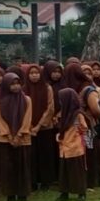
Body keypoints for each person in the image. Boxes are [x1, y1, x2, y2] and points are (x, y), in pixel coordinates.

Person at [0, 72, 33, 201]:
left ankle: (23, 195)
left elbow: (27, 118)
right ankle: (10, 195)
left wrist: (19, 134)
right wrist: (9, 135)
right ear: (6, 85)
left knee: (23, 167)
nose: (16, 87)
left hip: (23, 138)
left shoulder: (26, 99)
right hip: (6, 139)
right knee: (8, 167)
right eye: (12, 84)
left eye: (18, 84)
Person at [25, 63, 56, 191]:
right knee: (31, 156)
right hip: (28, 128)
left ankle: (45, 181)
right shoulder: (23, 89)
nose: (34, 76)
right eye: (31, 73)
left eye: (36, 73)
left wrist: (38, 126)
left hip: (44, 127)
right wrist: (30, 125)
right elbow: (23, 108)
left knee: (45, 155)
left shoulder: (47, 88)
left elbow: (50, 108)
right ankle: (32, 181)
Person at [55, 87, 88, 201]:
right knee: (65, 172)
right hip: (64, 147)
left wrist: (75, 135)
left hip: (75, 147)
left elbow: (84, 128)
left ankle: (81, 193)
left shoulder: (77, 114)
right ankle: (64, 193)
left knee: (77, 172)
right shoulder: (63, 114)